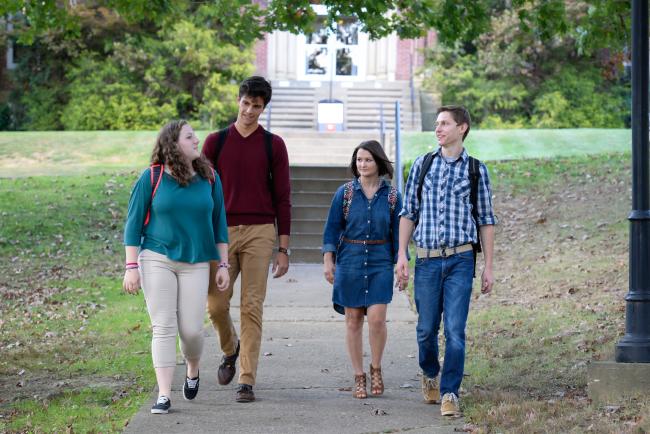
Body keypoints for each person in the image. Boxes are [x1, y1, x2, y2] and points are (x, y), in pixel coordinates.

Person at [123, 120, 230, 414]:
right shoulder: (152, 177)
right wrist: (131, 266)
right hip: (157, 258)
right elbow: (133, 225)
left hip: (196, 261)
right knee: (164, 326)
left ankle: (192, 370)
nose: (197, 140)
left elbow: (219, 223)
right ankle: (164, 394)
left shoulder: (209, 178)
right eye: (189, 136)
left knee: (192, 330)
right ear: (173, 144)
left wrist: (223, 264)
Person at [396, 105, 496, 417]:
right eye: (437, 124)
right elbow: (408, 212)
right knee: (426, 329)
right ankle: (429, 372)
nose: (438, 129)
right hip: (426, 260)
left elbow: (486, 220)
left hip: (460, 260)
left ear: (462, 128)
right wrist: (401, 255)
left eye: (444, 123)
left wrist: (489, 265)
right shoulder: (422, 165)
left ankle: (450, 391)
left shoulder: (476, 170)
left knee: (455, 329)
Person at [201, 76, 291, 403]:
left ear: (264, 107)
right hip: (221, 234)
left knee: (251, 306)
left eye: (257, 106)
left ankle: (247, 378)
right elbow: (202, 193)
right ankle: (230, 349)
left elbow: (283, 196)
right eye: (246, 103)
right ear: (238, 100)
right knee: (216, 305)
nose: (250, 111)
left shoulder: (273, 145)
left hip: (260, 232)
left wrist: (283, 247)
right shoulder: (215, 142)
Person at [322, 140, 402, 399]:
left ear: (378, 162)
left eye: (368, 159)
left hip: (380, 261)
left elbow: (400, 234)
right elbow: (332, 229)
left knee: (377, 319)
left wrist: (402, 261)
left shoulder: (392, 197)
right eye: (359, 160)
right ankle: (359, 375)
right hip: (350, 261)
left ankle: (376, 368)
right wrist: (328, 259)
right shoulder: (344, 194)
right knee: (353, 320)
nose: (363, 164)